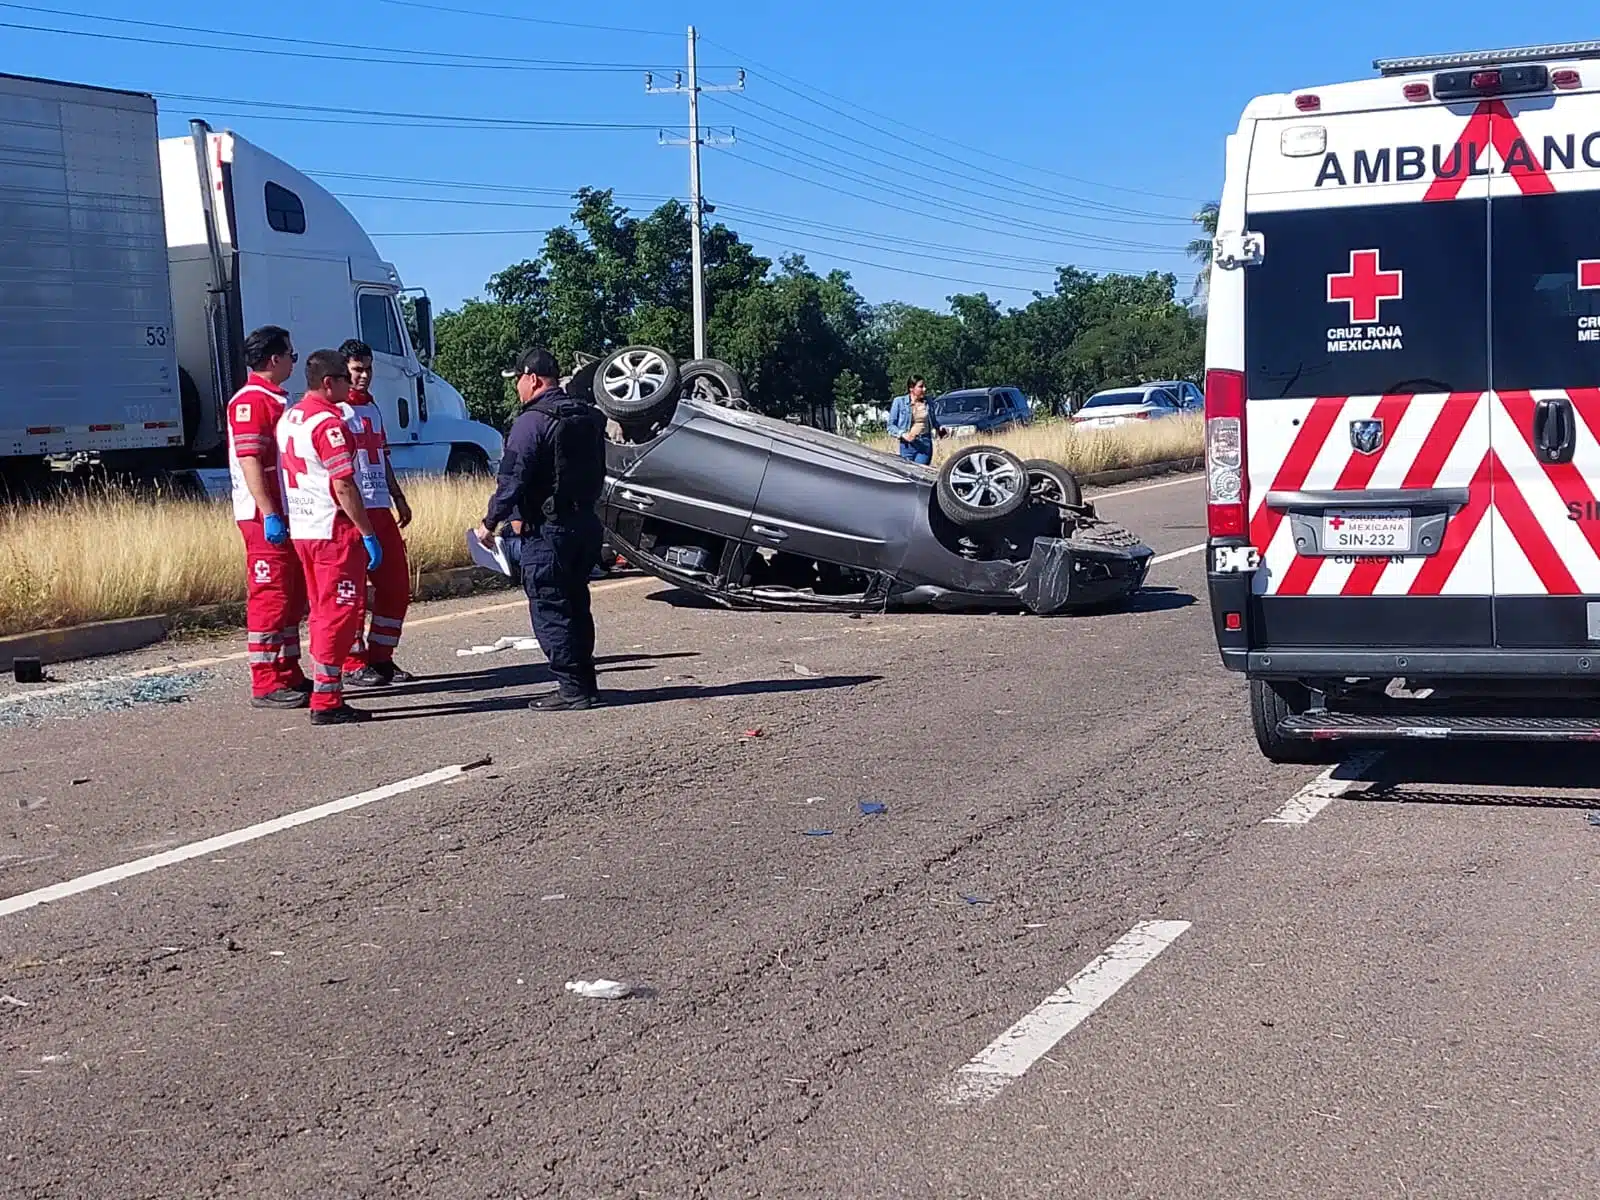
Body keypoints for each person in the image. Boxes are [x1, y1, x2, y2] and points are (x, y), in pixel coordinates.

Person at [475, 347, 607, 711]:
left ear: (532, 378)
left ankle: (572, 689)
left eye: (517, 379)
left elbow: (512, 478)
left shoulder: (531, 422)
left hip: (549, 531)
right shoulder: (588, 416)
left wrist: (489, 523)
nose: (517, 387)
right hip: (584, 525)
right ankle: (585, 684)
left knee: (551, 608)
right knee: (577, 606)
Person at [276, 349, 384, 726]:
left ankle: (327, 690)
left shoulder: (290, 418)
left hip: (303, 528)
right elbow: (343, 483)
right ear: (329, 383)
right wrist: (367, 532)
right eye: (343, 378)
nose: (350, 383)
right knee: (339, 613)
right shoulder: (328, 424)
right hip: (332, 531)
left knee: (322, 612)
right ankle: (326, 696)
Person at [228, 325, 310, 709]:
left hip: (286, 512)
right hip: (263, 517)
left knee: (291, 596)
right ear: (274, 359)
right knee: (271, 596)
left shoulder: (276, 400)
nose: (294, 361)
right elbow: (250, 463)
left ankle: (288, 670)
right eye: (291, 355)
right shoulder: (251, 401)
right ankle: (265, 681)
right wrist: (270, 513)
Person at [335, 339, 417, 689]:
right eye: (357, 370)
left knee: (396, 586)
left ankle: (381, 658)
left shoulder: (372, 408)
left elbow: (381, 457)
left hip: (380, 505)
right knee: (352, 593)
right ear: (343, 371)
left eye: (368, 369)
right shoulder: (336, 411)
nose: (364, 376)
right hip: (352, 511)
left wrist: (398, 496)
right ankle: (352, 662)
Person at [887, 376, 936, 464]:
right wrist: (903, 434)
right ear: (911, 388)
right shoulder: (899, 402)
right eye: (921, 386)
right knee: (906, 474)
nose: (924, 389)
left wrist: (941, 429)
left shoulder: (928, 402)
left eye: (924, 386)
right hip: (907, 445)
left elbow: (934, 421)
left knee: (920, 471)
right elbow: (891, 426)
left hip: (924, 443)